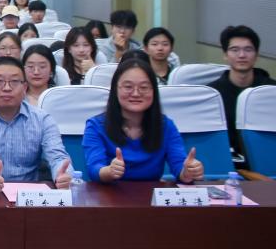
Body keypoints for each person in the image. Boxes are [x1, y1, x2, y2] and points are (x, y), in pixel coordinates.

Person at [0, 56, 73, 195]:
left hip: (30, 196)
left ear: (25, 87)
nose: (7, 88)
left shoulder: (43, 120)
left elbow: (58, 157)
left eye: (15, 82)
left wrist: (62, 176)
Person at [83, 52, 205, 183]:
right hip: (109, 194)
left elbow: (179, 165)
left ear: (154, 91)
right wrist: (109, 171)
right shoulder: (96, 125)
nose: (136, 93)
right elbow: (94, 169)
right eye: (128, 87)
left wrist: (187, 172)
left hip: (151, 194)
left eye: (144, 87)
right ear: (115, 89)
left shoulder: (165, 126)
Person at [208, 25, 274, 164]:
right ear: (225, 54)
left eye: (248, 49)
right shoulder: (212, 94)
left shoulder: (271, 91)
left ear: (256, 55)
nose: (242, 55)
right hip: (226, 163)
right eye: (234, 50)